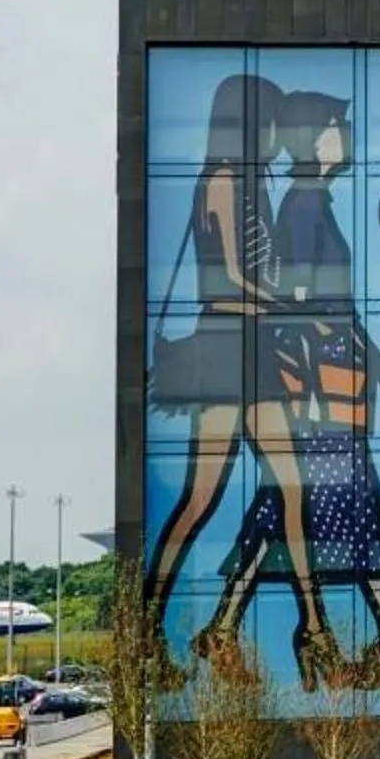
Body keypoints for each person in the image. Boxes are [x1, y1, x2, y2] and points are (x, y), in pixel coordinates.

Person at [198, 92, 380, 689]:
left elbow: (334, 309)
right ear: (312, 139)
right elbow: (300, 310)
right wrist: (323, 383)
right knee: (351, 515)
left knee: (294, 513)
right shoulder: (302, 208)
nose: (346, 135)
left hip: (335, 389)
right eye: (337, 126)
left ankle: (228, 627)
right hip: (324, 397)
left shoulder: (313, 204)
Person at [144, 74, 319, 641]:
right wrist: (291, 310)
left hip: (256, 349)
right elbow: (230, 279)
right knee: (200, 497)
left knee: (292, 485)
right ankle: (148, 629)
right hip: (222, 349)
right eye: (269, 123)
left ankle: (312, 625)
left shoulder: (255, 184)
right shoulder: (220, 179)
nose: (275, 135)